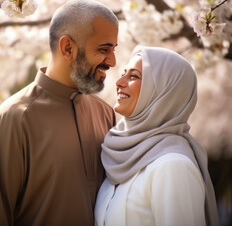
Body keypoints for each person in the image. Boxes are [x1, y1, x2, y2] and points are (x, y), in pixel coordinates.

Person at [0, 0, 119, 226]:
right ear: (67, 48)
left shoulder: (105, 114)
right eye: (103, 49)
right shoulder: (13, 119)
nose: (112, 60)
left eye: (113, 49)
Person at [94, 45, 219, 226]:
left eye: (134, 76)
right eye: (124, 73)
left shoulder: (173, 165)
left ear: (163, 92)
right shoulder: (117, 157)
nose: (119, 82)